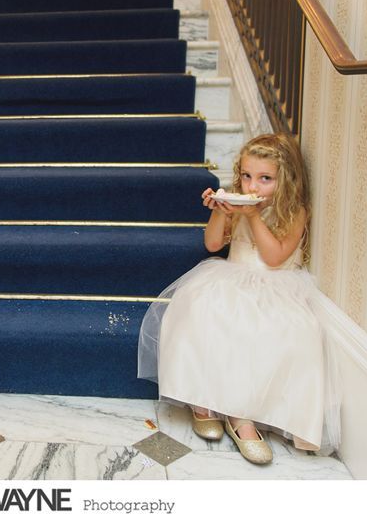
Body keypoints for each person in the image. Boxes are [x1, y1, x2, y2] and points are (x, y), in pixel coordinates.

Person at [138, 133, 340, 464]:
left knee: (282, 330)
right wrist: (222, 211)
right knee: (201, 309)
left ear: (285, 179)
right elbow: (213, 244)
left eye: (265, 179)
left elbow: (274, 258)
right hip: (230, 276)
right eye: (246, 176)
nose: (252, 186)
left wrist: (252, 215)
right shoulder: (238, 202)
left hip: (276, 285)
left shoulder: (296, 212)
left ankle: (241, 415)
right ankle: (203, 402)